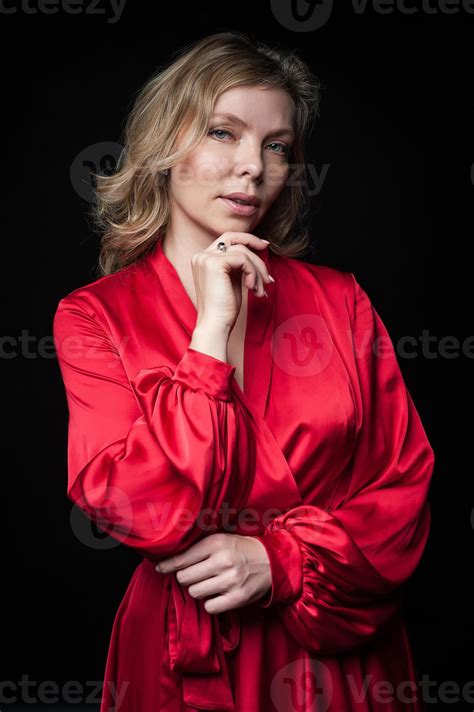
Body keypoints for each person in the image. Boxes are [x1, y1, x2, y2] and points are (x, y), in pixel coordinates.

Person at [53, 31, 435, 712]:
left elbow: (402, 492)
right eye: (224, 133)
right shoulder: (94, 317)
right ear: (165, 146)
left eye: (277, 145)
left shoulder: (340, 300)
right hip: (182, 658)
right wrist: (207, 338)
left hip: (336, 645)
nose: (252, 166)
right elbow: (131, 505)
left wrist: (280, 561)